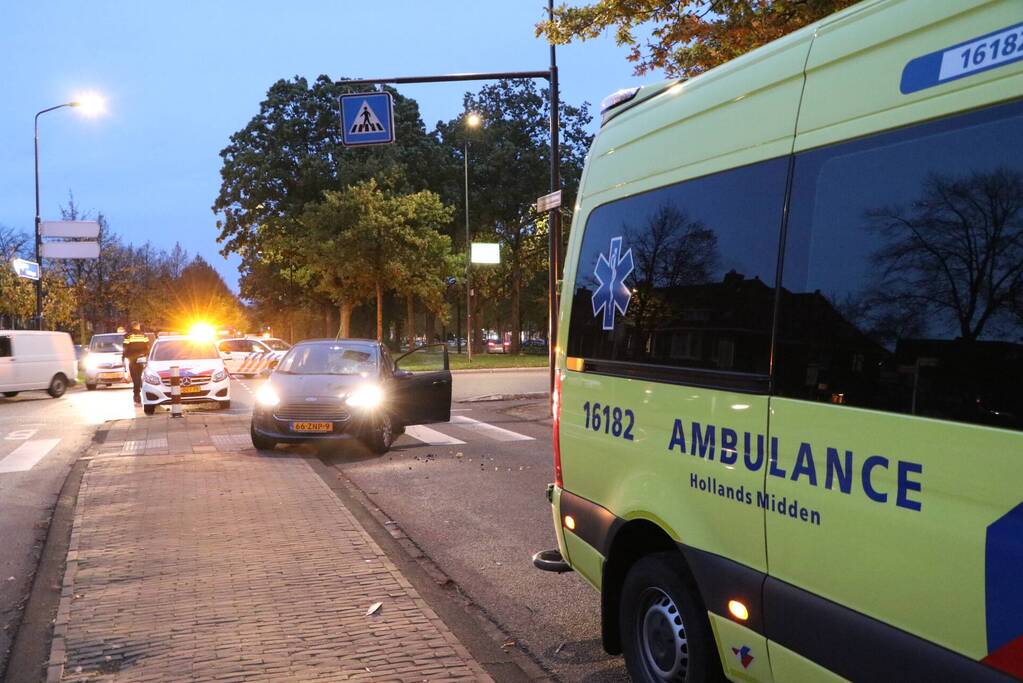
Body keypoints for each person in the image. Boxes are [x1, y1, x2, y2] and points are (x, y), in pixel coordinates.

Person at [122, 322, 150, 405]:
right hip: (141, 359)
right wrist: (144, 355)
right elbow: (147, 346)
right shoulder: (144, 335)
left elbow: (125, 347)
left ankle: (136, 396)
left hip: (132, 359)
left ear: (132, 327)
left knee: (135, 377)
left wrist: (124, 357)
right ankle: (140, 394)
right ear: (138, 327)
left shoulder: (128, 336)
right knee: (139, 376)